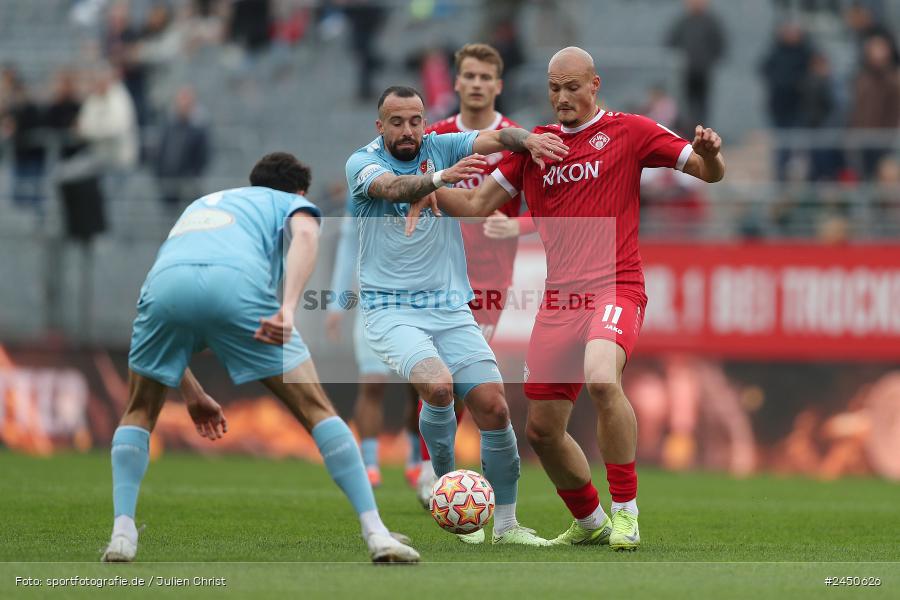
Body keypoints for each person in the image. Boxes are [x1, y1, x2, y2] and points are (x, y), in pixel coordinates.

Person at [420, 47, 725, 551]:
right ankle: (591, 522)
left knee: (603, 378)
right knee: (541, 430)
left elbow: (707, 173)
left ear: (594, 85)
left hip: (616, 286)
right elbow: (475, 203)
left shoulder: (630, 131)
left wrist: (710, 152)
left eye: (571, 87)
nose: (561, 97)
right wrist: (424, 188)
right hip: (560, 301)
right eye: (553, 88)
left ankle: (626, 513)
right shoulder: (533, 148)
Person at [101, 152, 419, 564]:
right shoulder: (287, 202)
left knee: (139, 410)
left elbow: (175, 294)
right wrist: (288, 308)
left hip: (163, 289)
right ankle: (376, 533)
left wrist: (192, 392)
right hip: (235, 287)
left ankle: (122, 533)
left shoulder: (203, 205)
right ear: (299, 192)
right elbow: (306, 237)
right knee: (317, 409)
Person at [344, 85, 567, 546]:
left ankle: (506, 526)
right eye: (397, 122)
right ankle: (448, 493)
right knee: (439, 385)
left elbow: (494, 139)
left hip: (449, 305)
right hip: (391, 310)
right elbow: (394, 188)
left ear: (426, 121)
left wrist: (527, 140)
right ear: (379, 125)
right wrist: (439, 179)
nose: (408, 131)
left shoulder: (437, 144)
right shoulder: (363, 163)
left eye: (415, 121)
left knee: (494, 406)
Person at [416, 43, 535, 510]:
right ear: (458, 82)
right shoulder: (436, 136)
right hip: (432, 273)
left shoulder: (516, 139)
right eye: (470, 75)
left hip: (488, 279)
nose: (478, 83)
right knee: (435, 377)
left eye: (487, 76)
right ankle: (433, 471)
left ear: (498, 85)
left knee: (461, 378)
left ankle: (437, 472)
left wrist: (519, 225)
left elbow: (553, 206)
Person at [326, 192, 422, 489]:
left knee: (420, 388)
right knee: (372, 383)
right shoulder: (361, 196)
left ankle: (417, 459)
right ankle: (369, 465)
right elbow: (347, 246)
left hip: (418, 302)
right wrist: (336, 304)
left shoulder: (426, 187)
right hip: (374, 303)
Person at [666, 0, 727, 126]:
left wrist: (710, 59)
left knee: (703, 103)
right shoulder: (683, 22)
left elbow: (720, 44)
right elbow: (671, 42)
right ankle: (689, 131)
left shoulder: (711, 22)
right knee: (686, 104)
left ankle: (702, 130)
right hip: (685, 71)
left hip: (704, 71)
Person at [154, 86, 210, 212]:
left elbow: (203, 156)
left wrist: (192, 175)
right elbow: (161, 151)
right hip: (167, 181)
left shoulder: (199, 130)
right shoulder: (168, 126)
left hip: (188, 183)